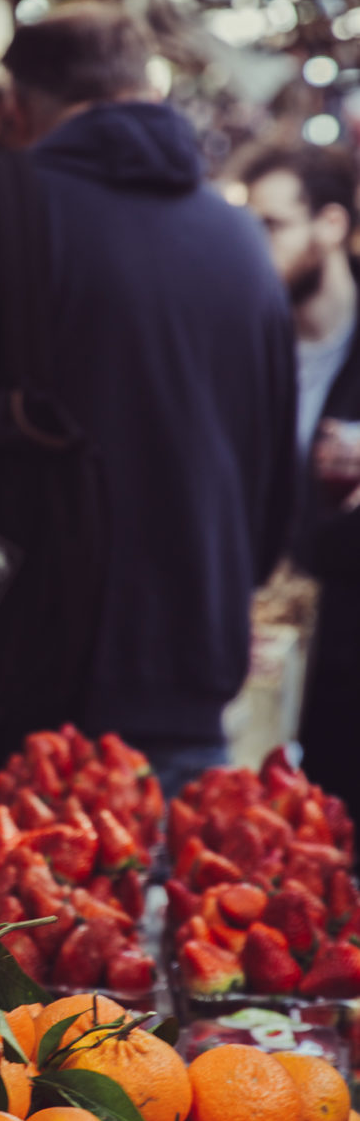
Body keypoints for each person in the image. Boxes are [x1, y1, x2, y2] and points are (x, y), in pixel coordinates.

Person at [0, 2, 295, 791]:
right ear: (146, 88)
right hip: (185, 695)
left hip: (16, 704)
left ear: (13, 106)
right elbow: (268, 502)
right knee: (165, 910)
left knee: (5, 918)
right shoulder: (241, 243)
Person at [242, 141, 360, 818]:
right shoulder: (246, 341)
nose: (255, 248)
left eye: (272, 226)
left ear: (330, 225)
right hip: (266, 659)